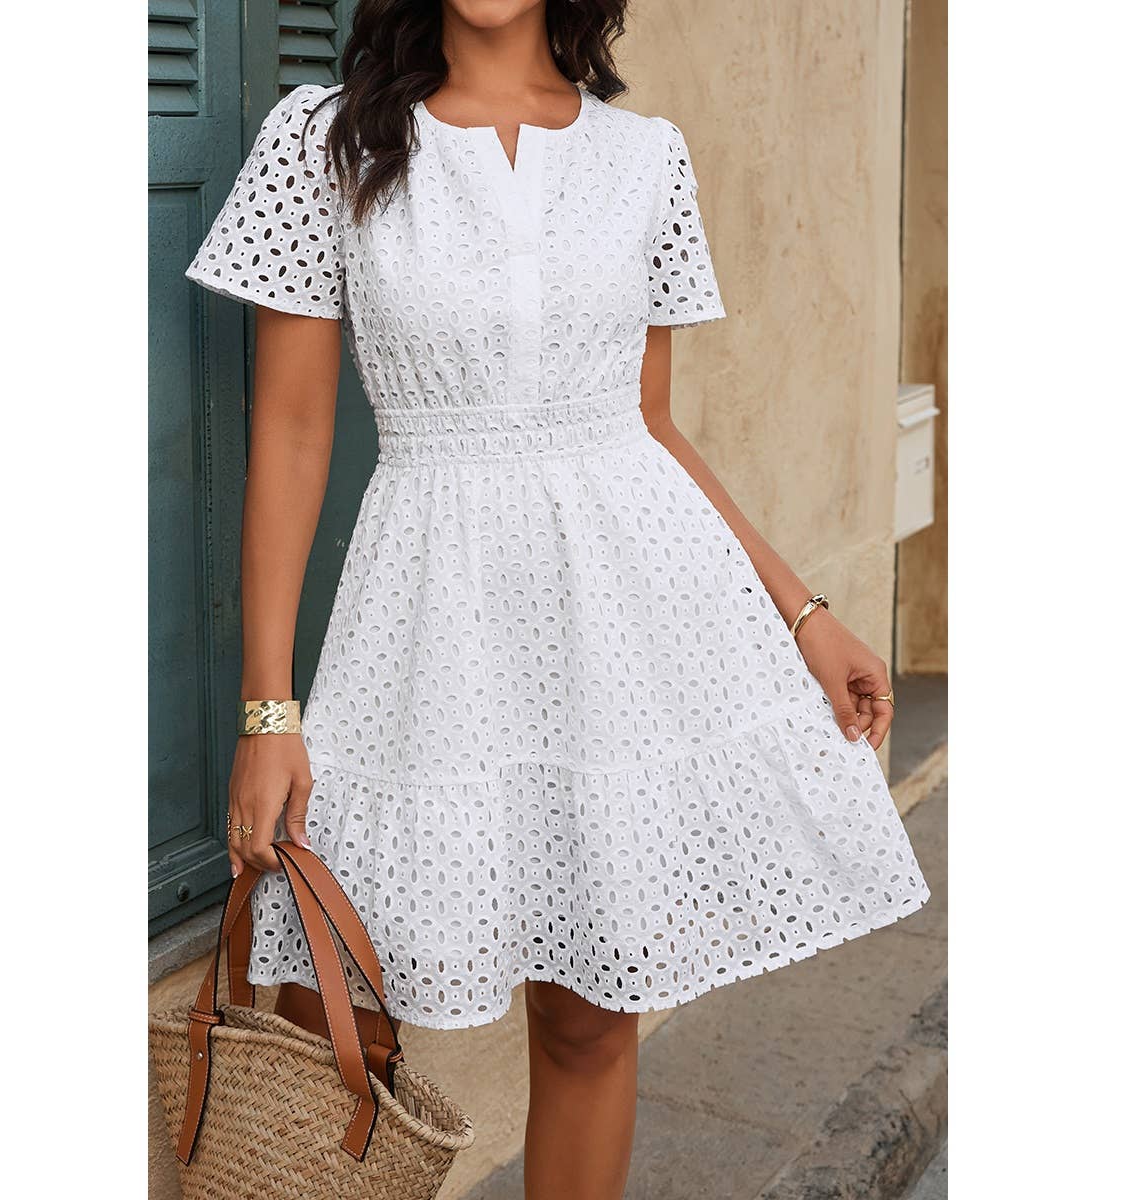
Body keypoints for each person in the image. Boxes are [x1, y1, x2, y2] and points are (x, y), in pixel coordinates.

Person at [185, 2, 929, 1196]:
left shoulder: (645, 158)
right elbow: (291, 429)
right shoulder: (324, 142)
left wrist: (803, 612)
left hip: (615, 632)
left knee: (589, 1015)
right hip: (420, 623)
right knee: (330, 999)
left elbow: (649, 428)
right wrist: (268, 711)